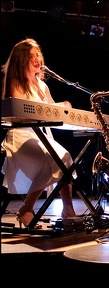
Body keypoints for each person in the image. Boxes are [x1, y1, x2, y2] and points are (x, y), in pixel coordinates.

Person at [1, 38, 76, 228]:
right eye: (32, 56)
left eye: (38, 55)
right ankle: (26, 209)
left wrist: (64, 108)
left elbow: (50, 110)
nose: (37, 59)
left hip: (40, 136)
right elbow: (21, 110)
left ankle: (68, 209)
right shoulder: (16, 81)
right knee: (47, 160)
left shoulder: (43, 86)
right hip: (21, 136)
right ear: (21, 59)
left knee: (65, 157)